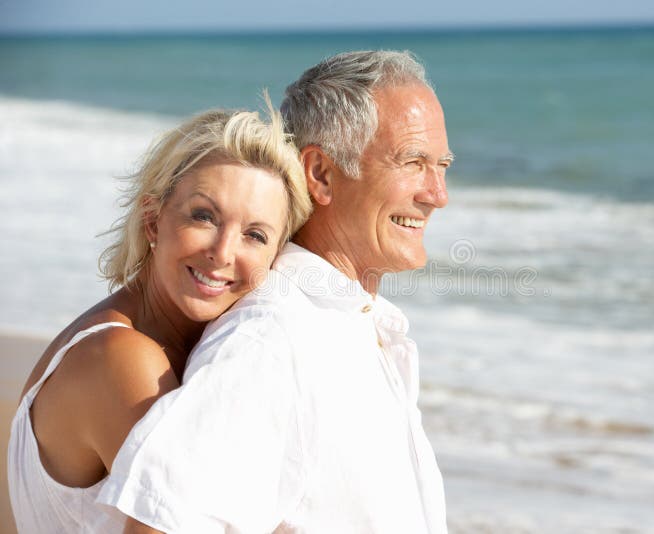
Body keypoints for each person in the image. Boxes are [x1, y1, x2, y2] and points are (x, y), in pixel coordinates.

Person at [104, 50, 454, 534]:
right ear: (322, 175)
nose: (437, 194)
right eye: (413, 162)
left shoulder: (353, 323)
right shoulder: (270, 341)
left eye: (442, 165)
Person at [7, 99, 312, 533]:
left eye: (254, 235)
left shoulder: (184, 347)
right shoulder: (122, 359)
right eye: (204, 216)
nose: (223, 253)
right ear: (153, 221)